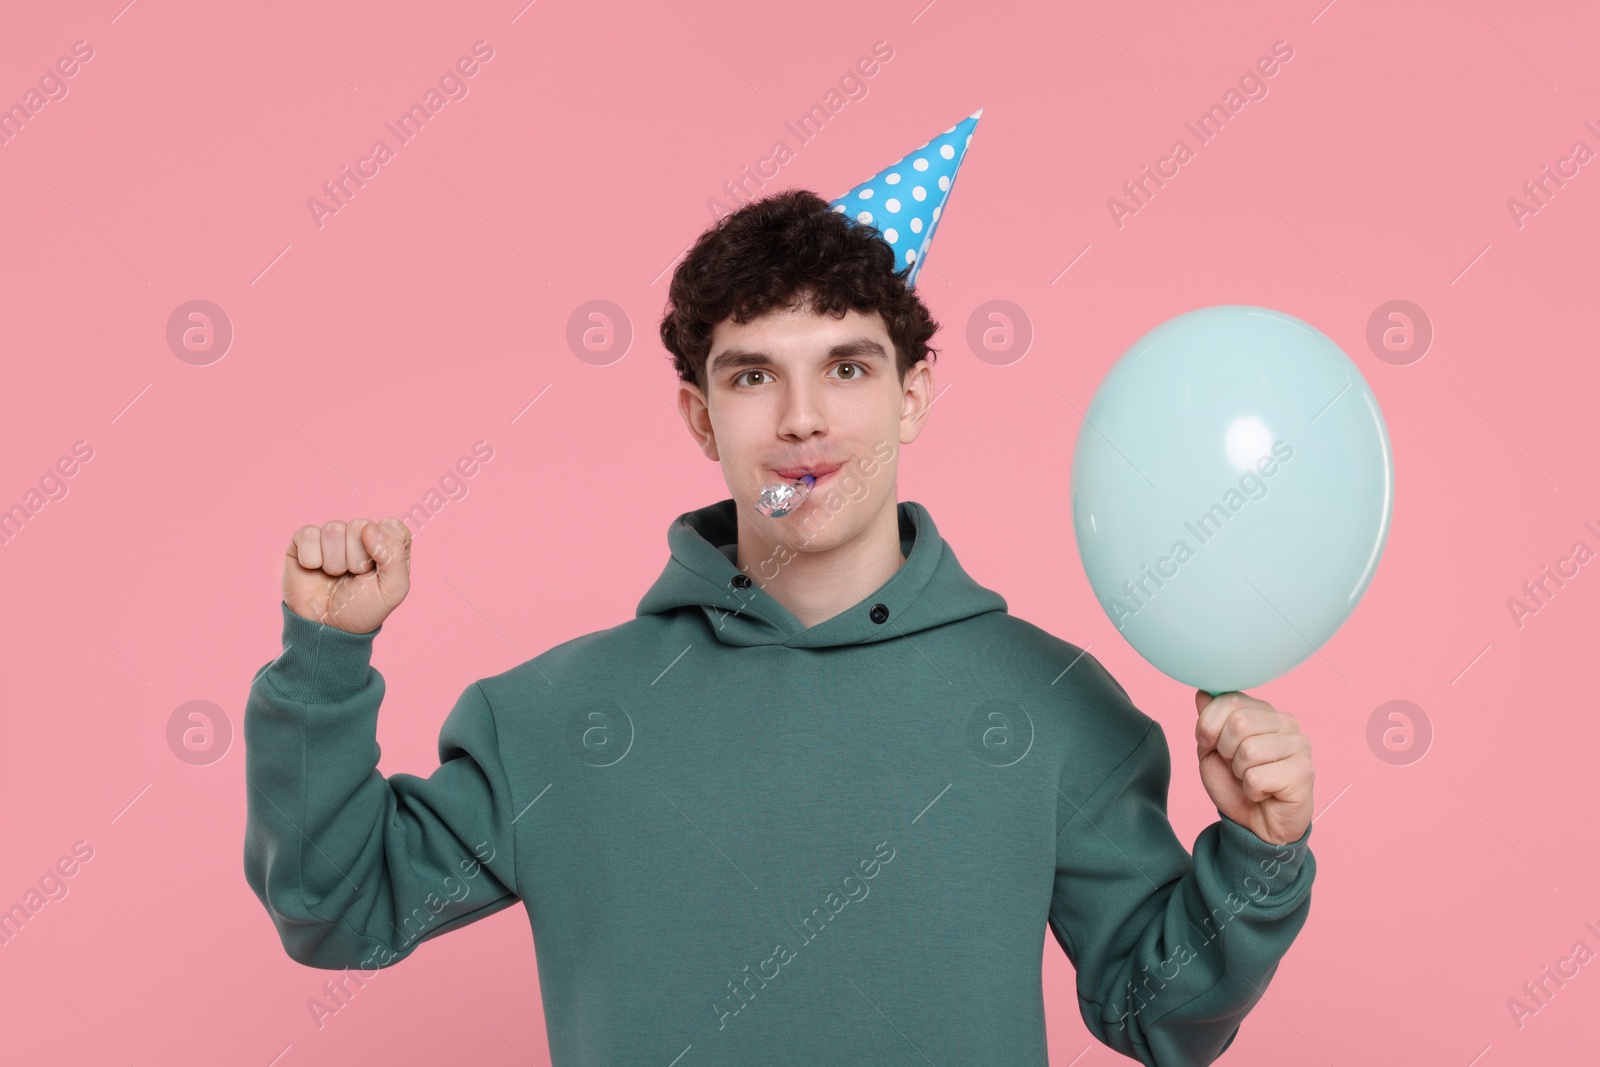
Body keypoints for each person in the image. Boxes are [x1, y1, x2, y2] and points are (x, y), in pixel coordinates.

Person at [244, 119, 1315, 1067]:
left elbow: (1157, 1013)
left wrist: (1257, 855)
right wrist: (325, 660)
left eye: (846, 367)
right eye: (753, 375)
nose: (802, 418)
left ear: (913, 395)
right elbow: (336, 907)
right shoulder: (552, 719)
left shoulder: (1055, 706)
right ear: (701, 417)